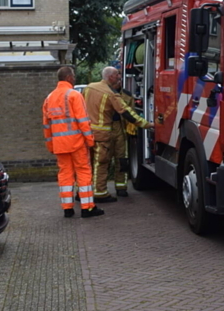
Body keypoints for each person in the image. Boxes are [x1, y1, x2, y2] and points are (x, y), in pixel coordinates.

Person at [42, 66, 103, 218]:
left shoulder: (49, 98)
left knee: (65, 175)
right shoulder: (74, 95)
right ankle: (87, 207)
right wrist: (90, 141)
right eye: (73, 76)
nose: (75, 78)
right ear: (69, 77)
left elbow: (46, 125)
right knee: (83, 172)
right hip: (76, 143)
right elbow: (83, 121)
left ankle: (67, 208)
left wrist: (50, 145)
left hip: (59, 145)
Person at [83, 66, 150, 203]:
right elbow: (127, 112)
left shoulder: (89, 88)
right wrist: (147, 125)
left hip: (90, 131)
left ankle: (86, 191)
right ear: (111, 77)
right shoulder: (111, 94)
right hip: (104, 131)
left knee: (114, 160)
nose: (120, 77)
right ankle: (99, 192)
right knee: (101, 162)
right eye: (117, 75)